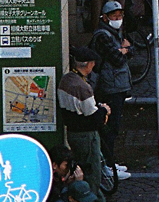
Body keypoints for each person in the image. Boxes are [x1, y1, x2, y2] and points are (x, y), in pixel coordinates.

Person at [58, 46, 109, 202]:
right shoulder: (83, 87)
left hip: (72, 132)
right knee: (92, 172)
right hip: (86, 136)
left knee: (80, 166)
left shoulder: (66, 80)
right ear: (89, 64)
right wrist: (104, 110)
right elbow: (93, 116)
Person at [88, 1, 132, 182]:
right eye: (114, 16)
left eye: (120, 15)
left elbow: (130, 49)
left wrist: (124, 50)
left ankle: (110, 162)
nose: (118, 19)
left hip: (117, 86)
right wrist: (123, 50)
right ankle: (107, 166)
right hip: (110, 87)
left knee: (113, 128)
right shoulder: (103, 36)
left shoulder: (115, 33)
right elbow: (117, 59)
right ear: (105, 17)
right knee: (109, 129)